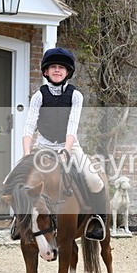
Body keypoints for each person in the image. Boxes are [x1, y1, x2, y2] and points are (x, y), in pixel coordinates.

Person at [21, 47, 107, 240]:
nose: (57, 70)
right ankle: (19, 223)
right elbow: (28, 127)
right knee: (16, 178)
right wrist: (27, 154)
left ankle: (97, 221)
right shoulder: (39, 96)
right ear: (46, 71)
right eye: (53, 67)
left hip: (69, 145)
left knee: (94, 179)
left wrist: (66, 151)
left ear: (68, 72)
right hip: (43, 145)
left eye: (61, 67)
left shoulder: (76, 96)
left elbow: (72, 127)